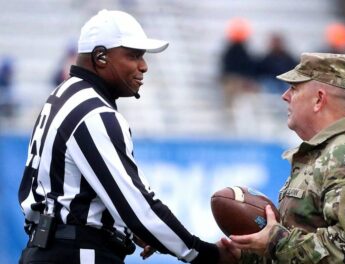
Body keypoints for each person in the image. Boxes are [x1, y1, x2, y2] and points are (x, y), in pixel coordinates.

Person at [18, 9, 234, 264]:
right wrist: (206, 254)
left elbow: (83, 192)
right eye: (134, 55)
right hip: (77, 253)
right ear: (100, 56)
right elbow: (139, 208)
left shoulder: (63, 94)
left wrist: (129, 229)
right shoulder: (94, 113)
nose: (144, 66)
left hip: (51, 246)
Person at [222, 53, 345, 263]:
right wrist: (246, 255)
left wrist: (275, 241)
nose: (285, 96)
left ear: (319, 99)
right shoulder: (324, 154)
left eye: (294, 88)